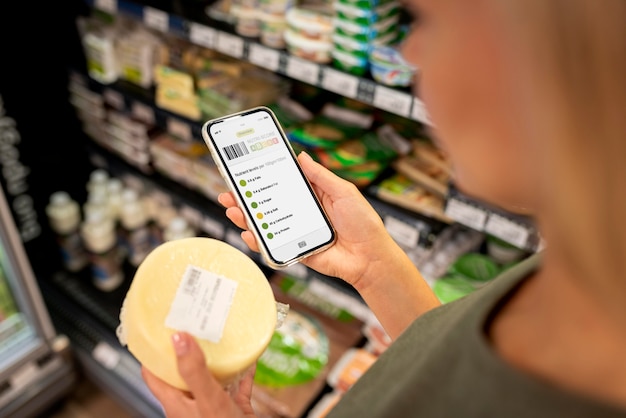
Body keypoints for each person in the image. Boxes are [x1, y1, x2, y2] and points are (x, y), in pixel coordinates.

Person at [141, 0, 626, 416]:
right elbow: (447, 368)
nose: (411, 53)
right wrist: (376, 268)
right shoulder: (584, 272)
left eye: (433, 20)